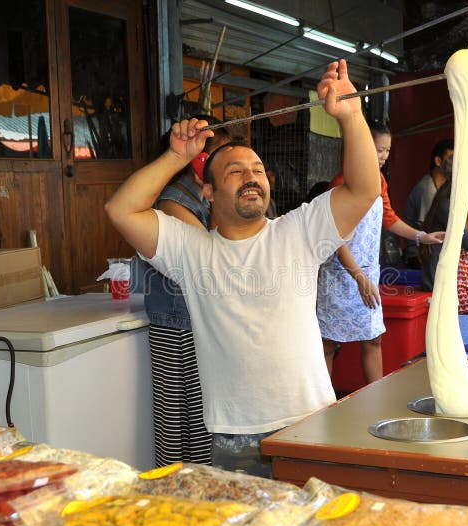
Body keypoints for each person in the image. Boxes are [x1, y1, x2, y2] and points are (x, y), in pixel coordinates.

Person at [105, 59, 381, 477]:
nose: (250, 177)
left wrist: (351, 116)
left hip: (310, 423)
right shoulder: (190, 249)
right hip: (234, 438)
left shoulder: (299, 230)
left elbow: (364, 189)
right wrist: (176, 156)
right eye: (235, 172)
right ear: (208, 191)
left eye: (257, 170)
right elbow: (121, 209)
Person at [319, 122, 444, 384]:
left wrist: (422, 236)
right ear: (360, 148)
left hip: (367, 271)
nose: (384, 156)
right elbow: (336, 237)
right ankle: (323, 402)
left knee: (373, 337)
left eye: (387, 150)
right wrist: (358, 276)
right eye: (378, 150)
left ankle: (375, 395)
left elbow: (389, 218)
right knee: (329, 341)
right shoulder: (341, 184)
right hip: (341, 273)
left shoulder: (380, 180)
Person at [142, 121, 232, 467]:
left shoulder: (200, 196)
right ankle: (175, 488)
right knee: (180, 422)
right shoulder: (173, 201)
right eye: (218, 156)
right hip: (177, 326)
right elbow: (212, 255)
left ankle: (198, 486)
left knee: (201, 419)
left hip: (196, 320)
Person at [419, 166, 468, 313]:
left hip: (458, 282)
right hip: (442, 286)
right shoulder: (447, 207)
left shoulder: (464, 209)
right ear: (460, 177)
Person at [402, 139, 455, 268]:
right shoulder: (427, 189)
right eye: (452, 159)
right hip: (419, 256)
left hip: (431, 252)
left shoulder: (442, 187)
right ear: (438, 161)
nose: (456, 163)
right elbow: (429, 227)